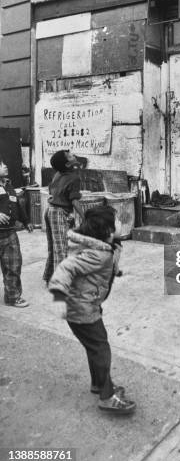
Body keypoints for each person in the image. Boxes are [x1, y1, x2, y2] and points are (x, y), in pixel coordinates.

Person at [48, 205, 136, 415]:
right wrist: (59, 296)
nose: (120, 222)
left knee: (95, 347)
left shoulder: (106, 246)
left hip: (86, 305)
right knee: (100, 349)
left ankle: (99, 384)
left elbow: (102, 264)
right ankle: (107, 396)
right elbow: (66, 267)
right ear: (106, 231)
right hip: (81, 310)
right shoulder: (98, 253)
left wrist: (115, 271)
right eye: (116, 221)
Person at [43, 150, 84, 284]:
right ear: (68, 164)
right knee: (61, 249)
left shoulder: (57, 174)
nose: (73, 154)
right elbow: (74, 201)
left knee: (54, 247)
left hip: (50, 211)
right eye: (70, 155)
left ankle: (49, 277)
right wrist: (85, 217)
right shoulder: (74, 177)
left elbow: (52, 190)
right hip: (58, 213)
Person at [0, 161, 33, 307]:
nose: (5, 166)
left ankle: (12, 297)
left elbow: (17, 204)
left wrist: (26, 221)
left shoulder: (8, 184)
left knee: (13, 265)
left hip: (10, 233)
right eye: (0, 165)